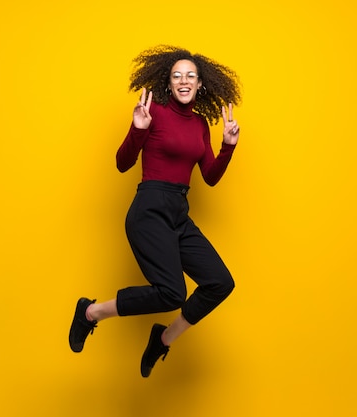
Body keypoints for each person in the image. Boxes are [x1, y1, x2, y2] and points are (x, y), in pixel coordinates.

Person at [69, 45, 242, 378]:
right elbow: (122, 164)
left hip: (178, 212)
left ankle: (163, 339)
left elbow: (210, 176)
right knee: (172, 292)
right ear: (169, 81)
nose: (184, 80)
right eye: (177, 75)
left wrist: (228, 148)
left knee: (220, 282)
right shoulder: (154, 113)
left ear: (200, 83)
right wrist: (138, 128)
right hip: (149, 209)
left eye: (190, 75)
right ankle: (91, 312)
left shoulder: (201, 125)